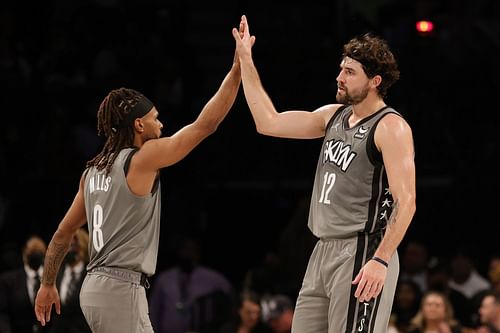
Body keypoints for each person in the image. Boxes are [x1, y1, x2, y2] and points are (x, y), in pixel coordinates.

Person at [34, 24, 248, 332]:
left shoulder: (91, 172)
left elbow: (61, 234)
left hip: (93, 288)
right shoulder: (141, 159)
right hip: (121, 287)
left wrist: (47, 283)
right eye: (155, 118)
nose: (160, 124)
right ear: (138, 125)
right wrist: (236, 70)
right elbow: (204, 126)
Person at [232, 14, 416, 333]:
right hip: (322, 249)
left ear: (375, 81)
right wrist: (246, 59)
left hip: (363, 248)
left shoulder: (391, 127)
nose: (339, 77)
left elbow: (407, 201)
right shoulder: (332, 116)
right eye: (341, 69)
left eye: (349, 72)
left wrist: (382, 259)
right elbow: (268, 122)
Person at [149, 235, 233, 333]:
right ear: (179, 251)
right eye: (185, 249)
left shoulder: (211, 278)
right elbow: (154, 310)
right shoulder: (164, 279)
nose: (188, 253)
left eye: (192, 249)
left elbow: (229, 292)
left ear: (198, 253)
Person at [0, 235, 50, 333]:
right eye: (32, 251)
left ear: (44, 254)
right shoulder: (8, 281)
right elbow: (2, 313)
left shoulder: (53, 280)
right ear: (24, 253)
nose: (35, 254)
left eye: (38, 251)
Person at [49, 228, 91, 333]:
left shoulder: (90, 275)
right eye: (68, 246)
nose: (70, 250)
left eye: (74, 246)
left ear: (82, 247)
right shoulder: (56, 273)